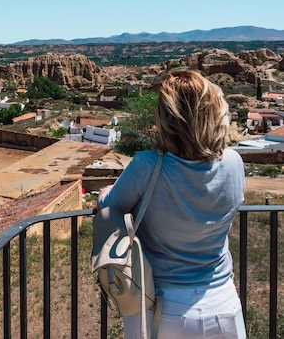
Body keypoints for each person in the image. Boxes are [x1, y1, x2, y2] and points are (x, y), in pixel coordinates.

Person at [97, 68, 246, 338]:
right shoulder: (234, 163)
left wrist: (105, 192)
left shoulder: (149, 165)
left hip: (164, 308)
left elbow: (110, 205)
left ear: (168, 120)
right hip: (224, 304)